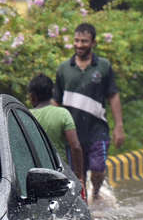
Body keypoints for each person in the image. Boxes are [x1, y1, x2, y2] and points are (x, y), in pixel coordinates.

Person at [53, 22, 125, 201]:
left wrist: (119, 126)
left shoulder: (103, 67)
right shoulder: (63, 69)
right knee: (78, 174)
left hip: (97, 130)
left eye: (84, 41)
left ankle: (96, 192)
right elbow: (56, 101)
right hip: (72, 132)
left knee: (98, 168)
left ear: (93, 43)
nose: (79, 45)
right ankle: (84, 204)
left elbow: (113, 96)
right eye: (76, 40)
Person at [27, 73, 85, 190]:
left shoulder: (26, 116)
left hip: (33, 176)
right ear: (52, 93)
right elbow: (76, 147)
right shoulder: (63, 114)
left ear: (33, 96)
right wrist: (79, 176)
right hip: (60, 173)